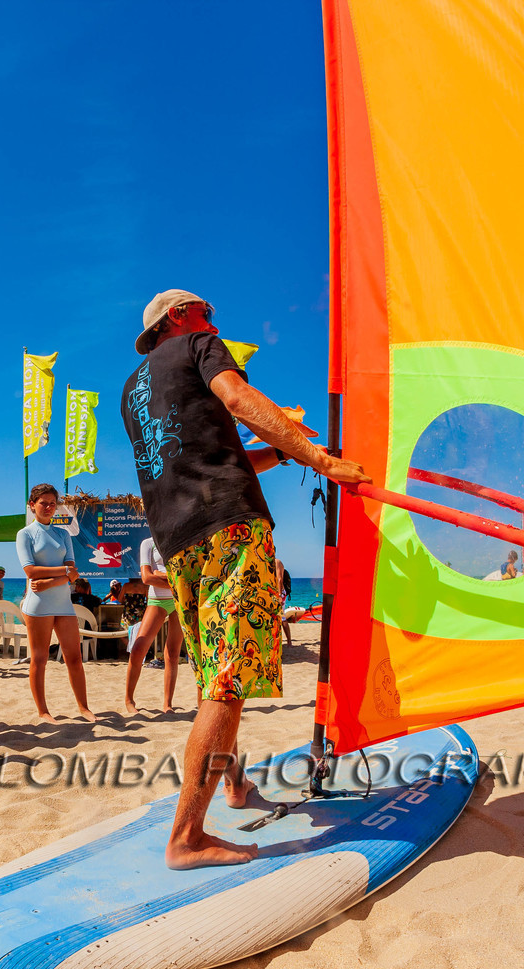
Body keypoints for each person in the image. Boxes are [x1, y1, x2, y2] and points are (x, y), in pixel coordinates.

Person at [123, 289, 369, 868]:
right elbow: (237, 397)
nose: (215, 322)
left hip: (177, 540)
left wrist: (280, 453)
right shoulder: (201, 345)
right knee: (227, 684)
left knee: (216, 673)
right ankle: (186, 837)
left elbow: (212, 453)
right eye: (207, 312)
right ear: (180, 317)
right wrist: (319, 458)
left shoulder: (134, 387)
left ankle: (232, 785)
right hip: (230, 530)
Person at [15, 483, 94, 722]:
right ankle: (43, 711)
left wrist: (50, 582)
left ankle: (84, 707)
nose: (48, 507)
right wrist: (64, 573)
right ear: (32, 505)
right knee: (39, 659)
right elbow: (30, 570)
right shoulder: (25, 534)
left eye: (52, 503)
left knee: (74, 657)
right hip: (38, 604)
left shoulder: (63, 534)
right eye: (43, 503)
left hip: (62, 602)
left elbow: (74, 572)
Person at [124, 536, 184, 715]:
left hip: (179, 601)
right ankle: (129, 699)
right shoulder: (148, 543)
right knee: (138, 649)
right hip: (158, 600)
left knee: (172, 654)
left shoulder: (181, 539)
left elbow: (187, 575)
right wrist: (173, 581)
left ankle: (167, 704)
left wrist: (160, 575)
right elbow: (147, 577)